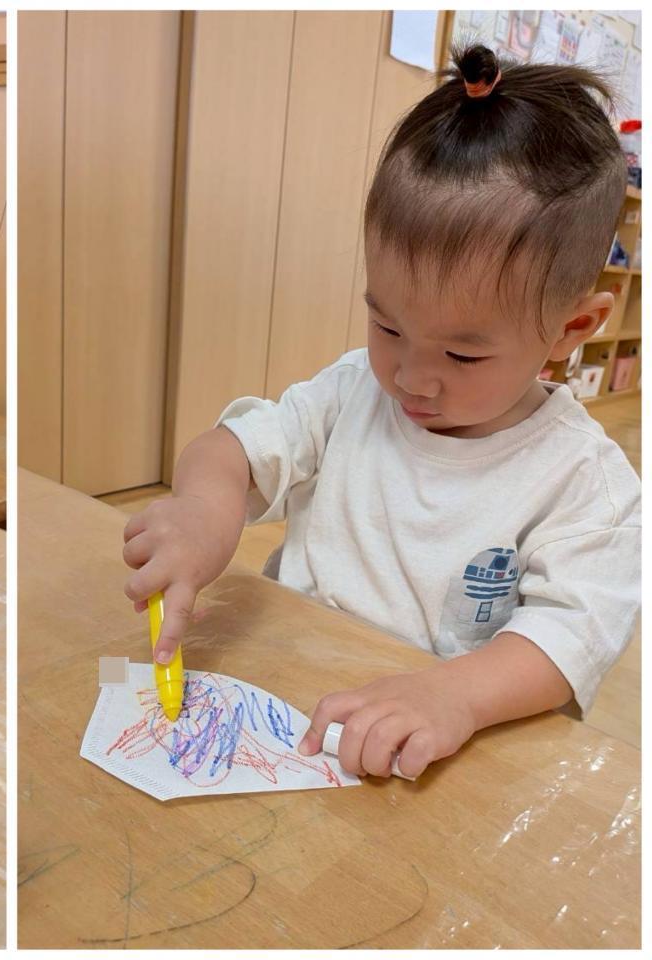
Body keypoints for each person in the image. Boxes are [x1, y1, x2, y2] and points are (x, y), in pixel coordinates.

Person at [122, 46, 640, 779]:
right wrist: (205, 510)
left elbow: (570, 639)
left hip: (438, 757)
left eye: (462, 355)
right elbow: (231, 449)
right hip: (292, 707)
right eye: (388, 327)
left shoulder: (587, 484)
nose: (410, 377)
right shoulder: (352, 393)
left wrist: (454, 694)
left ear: (572, 330)